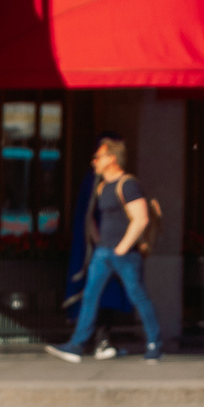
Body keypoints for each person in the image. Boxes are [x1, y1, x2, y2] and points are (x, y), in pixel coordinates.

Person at [47, 137, 161, 364]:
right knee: (90, 296)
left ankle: (155, 343)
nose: (94, 161)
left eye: (98, 157)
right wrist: (100, 241)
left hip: (124, 254)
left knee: (138, 295)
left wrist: (122, 247)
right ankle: (77, 345)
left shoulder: (127, 184)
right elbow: (98, 219)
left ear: (112, 158)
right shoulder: (101, 187)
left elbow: (141, 218)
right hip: (103, 252)